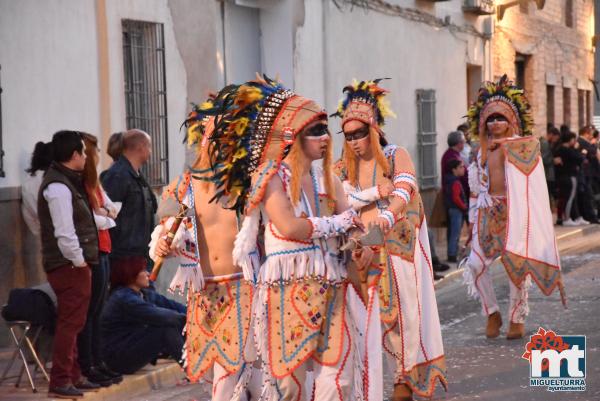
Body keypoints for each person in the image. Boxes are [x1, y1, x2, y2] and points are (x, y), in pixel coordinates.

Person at [208, 77, 360, 400]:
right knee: (289, 385)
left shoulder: (328, 177)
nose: (324, 138)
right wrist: (338, 223)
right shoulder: (271, 177)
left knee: (339, 377)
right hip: (286, 289)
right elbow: (289, 227)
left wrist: (359, 240)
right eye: (315, 131)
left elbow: (352, 224)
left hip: (331, 283)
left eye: (325, 129)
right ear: (293, 136)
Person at [332, 79, 447, 401]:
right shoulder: (340, 167)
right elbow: (339, 201)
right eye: (349, 135)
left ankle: (403, 378)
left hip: (395, 249)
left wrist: (382, 217)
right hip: (358, 252)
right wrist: (371, 195)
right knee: (361, 322)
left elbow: (404, 191)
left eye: (360, 133)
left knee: (399, 317)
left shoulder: (397, 155)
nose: (355, 141)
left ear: (375, 129)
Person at [148, 93, 260, 401]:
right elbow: (165, 230)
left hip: (244, 290)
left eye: (230, 138)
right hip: (205, 296)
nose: (223, 145)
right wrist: (161, 245)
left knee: (240, 378)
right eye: (216, 137)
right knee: (217, 378)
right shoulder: (183, 186)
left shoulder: (246, 184)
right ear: (202, 138)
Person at [462, 75, 566, 340]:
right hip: (488, 213)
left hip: (515, 214)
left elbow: (532, 175)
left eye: (501, 118)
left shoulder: (523, 145)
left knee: (516, 268)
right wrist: (471, 222)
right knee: (474, 265)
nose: (496, 124)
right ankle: (492, 312)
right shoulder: (478, 151)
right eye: (491, 119)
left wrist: (505, 147)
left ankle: (517, 317)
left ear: (512, 121)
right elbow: (476, 189)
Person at [38, 130, 100, 398]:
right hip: (69, 266)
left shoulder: (66, 182)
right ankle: (61, 380)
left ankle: (73, 375)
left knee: (75, 323)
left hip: (73, 264)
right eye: (83, 152)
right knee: (69, 323)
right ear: (74, 155)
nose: (86, 157)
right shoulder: (58, 187)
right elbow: (64, 233)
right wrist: (79, 262)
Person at [78, 133, 122, 386]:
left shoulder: (94, 182)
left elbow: (109, 209)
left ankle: (98, 361)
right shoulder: (80, 183)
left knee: (98, 309)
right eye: (89, 151)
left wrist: (105, 214)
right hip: (92, 250)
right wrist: (106, 215)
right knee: (90, 311)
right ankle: (89, 364)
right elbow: (94, 217)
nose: (91, 156)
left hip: (104, 246)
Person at [100, 256, 186, 374]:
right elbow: (163, 316)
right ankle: (192, 369)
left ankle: (201, 361)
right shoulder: (124, 298)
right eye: (143, 271)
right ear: (130, 274)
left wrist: (197, 313)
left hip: (131, 346)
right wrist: (190, 319)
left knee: (182, 320)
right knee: (167, 328)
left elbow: (172, 305)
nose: (147, 274)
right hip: (118, 358)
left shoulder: (143, 294)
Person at [101, 129, 157, 267]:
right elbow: (109, 215)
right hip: (124, 259)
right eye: (149, 147)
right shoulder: (118, 175)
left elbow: (152, 207)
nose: (150, 152)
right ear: (141, 148)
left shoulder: (136, 175)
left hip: (141, 256)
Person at [555, 132, 586, 226]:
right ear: (570, 139)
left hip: (566, 176)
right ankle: (566, 218)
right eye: (574, 139)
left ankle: (573, 217)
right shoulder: (566, 150)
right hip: (568, 176)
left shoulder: (561, 149)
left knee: (570, 198)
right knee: (568, 198)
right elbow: (579, 158)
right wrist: (580, 151)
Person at [22, 141, 52, 236]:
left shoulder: (29, 180)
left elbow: (27, 213)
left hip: (44, 233)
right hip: (58, 234)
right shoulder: (51, 179)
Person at [444, 159, 467, 263]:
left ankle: (452, 253)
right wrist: (464, 207)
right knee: (455, 233)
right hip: (456, 210)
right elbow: (456, 198)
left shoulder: (449, 180)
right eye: (461, 167)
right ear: (454, 169)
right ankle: (452, 255)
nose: (463, 169)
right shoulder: (455, 182)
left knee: (453, 232)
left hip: (452, 209)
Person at [577, 125, 599, 224]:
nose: (591, 136)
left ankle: (590, 216)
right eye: (590, 134)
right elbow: (592, 151)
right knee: (588, 195)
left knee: (588, 195)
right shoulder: (582, 142)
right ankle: (590, 217)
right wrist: (593, 145)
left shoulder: (586, 142)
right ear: (586, 133)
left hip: (588, 173)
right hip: (584, 173)